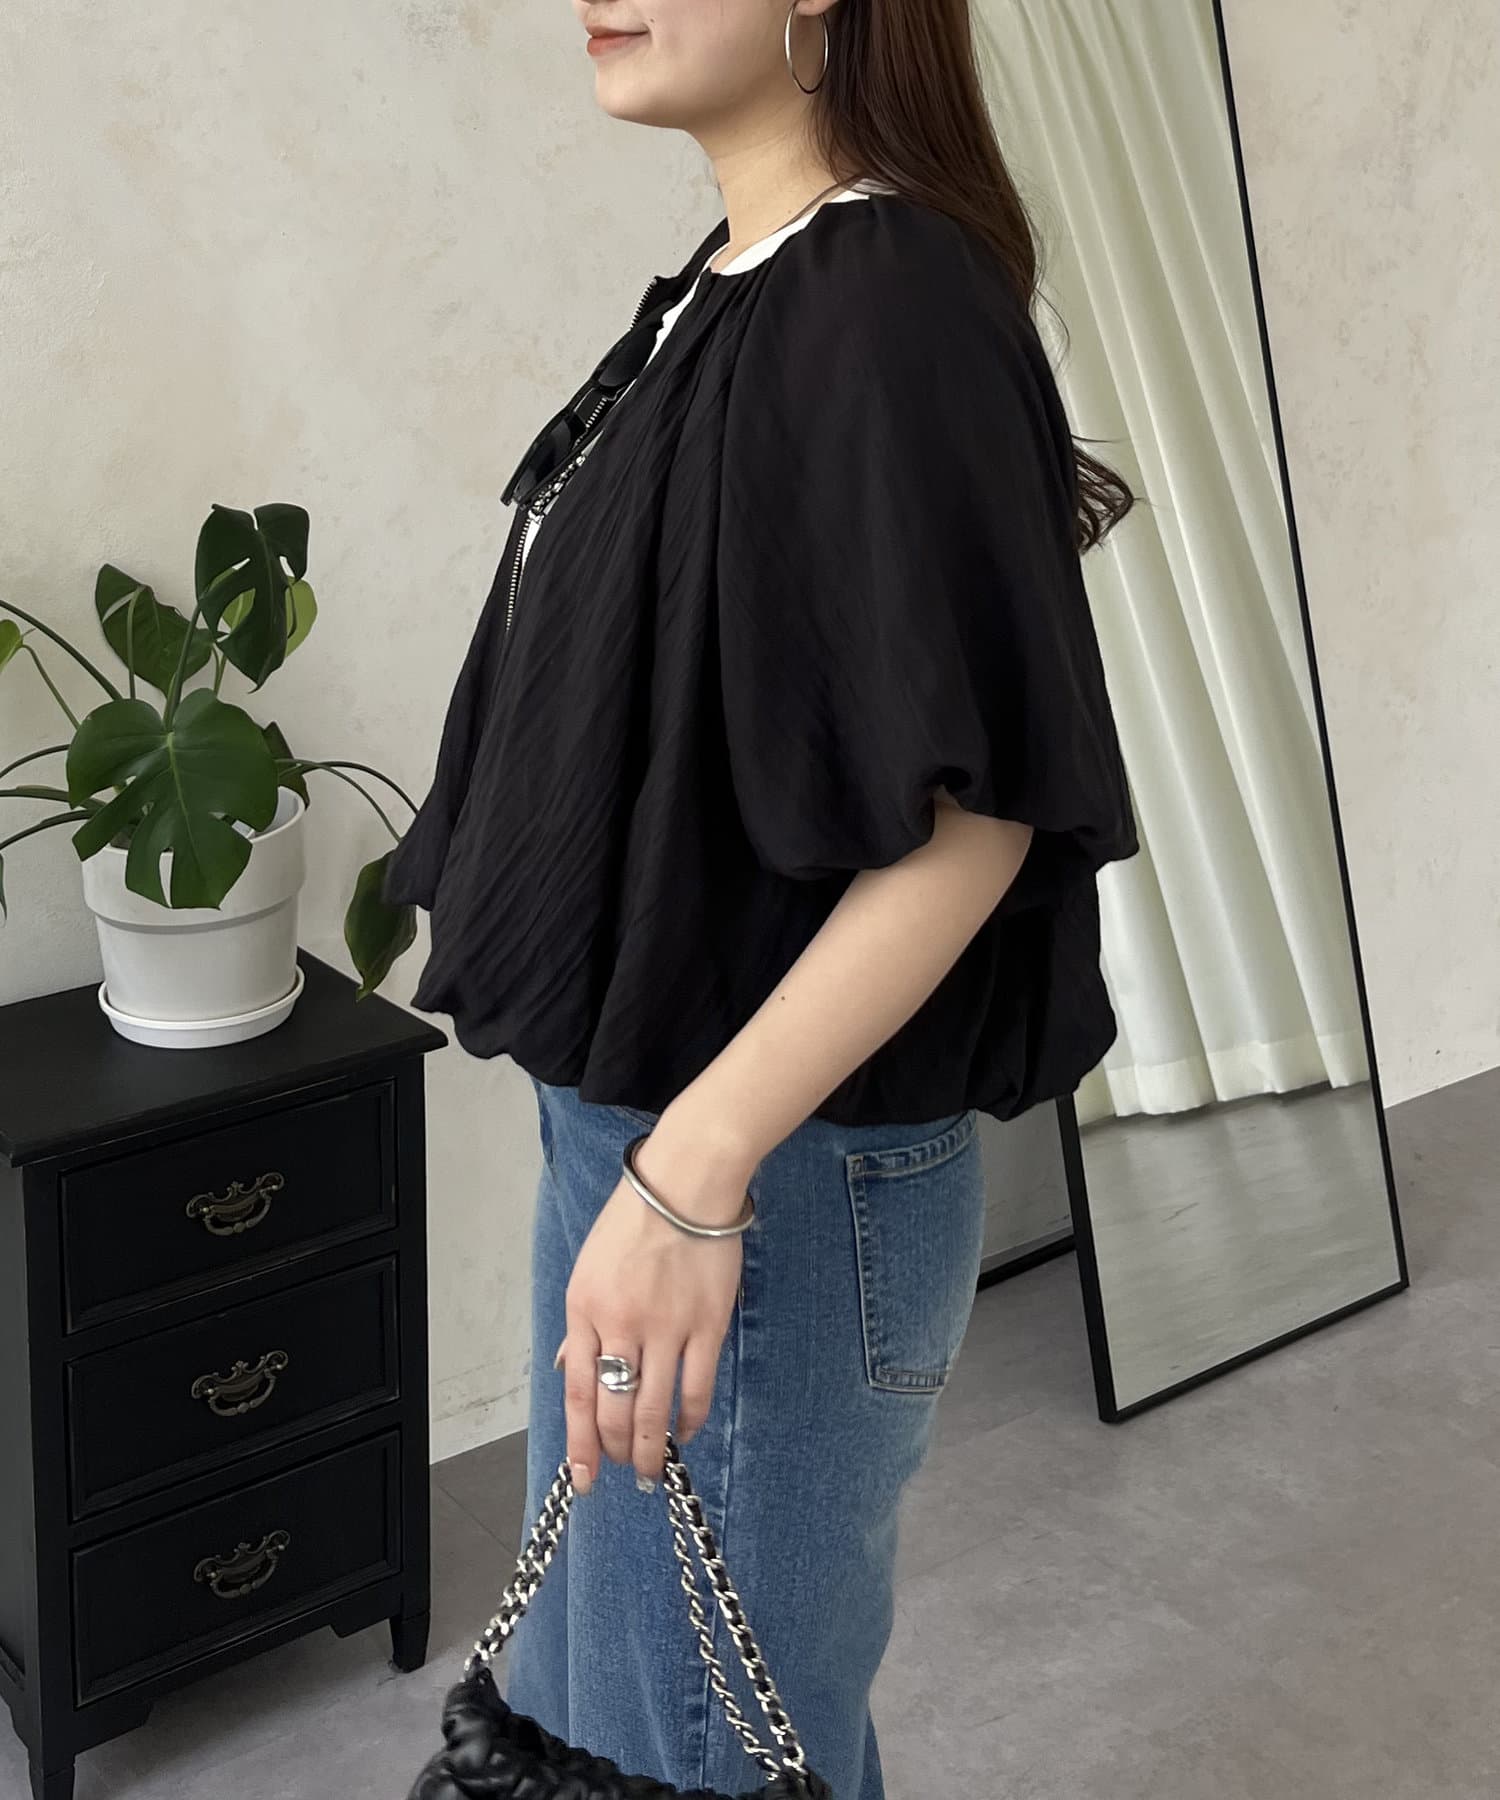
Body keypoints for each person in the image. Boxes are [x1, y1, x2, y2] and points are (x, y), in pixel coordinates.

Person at [383, 1, 1139, 1794]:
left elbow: (974, 815)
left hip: (760, 1187)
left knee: (700, 1752)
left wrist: (696, 1172)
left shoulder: (884, 293)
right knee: (608, 1730)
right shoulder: (727, 288)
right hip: (656, 1159)